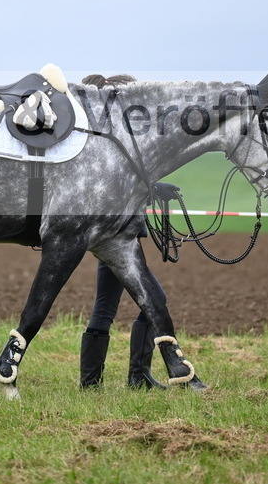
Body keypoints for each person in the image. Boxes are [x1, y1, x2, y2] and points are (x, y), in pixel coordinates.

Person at [78, 73, 167, 390]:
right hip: (117, 237)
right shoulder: (111, 140)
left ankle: (93, 383)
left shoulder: (106, 138)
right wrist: (155, 186)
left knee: (106, 307)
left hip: (114, 235)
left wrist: (154, 187)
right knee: (154, 302)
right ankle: (137, 377)